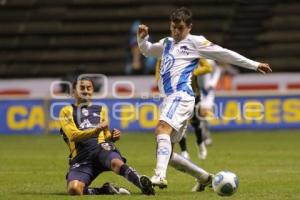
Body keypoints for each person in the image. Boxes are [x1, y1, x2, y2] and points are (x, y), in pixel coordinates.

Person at [137, 7, 272, 190]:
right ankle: (205, 178)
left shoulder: (196, 42)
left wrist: (254, 65)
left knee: (162, 129)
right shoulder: (167, 42)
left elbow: (225, 53)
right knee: (166, 152)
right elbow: (148, 51)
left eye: (181, 28)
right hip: (169, 99)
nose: (177, 32)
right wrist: (142, 38)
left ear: (189, 27)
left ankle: (159, 176)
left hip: (182, 95)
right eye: (173, 27)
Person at [59, 77, 155, 195]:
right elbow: (73, 136)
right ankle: (104, 190)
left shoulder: (101, 109)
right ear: (73, 91)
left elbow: (105, 136)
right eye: (81, 88)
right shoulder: (66, 110)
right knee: (74, 189)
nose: (85, 90)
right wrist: (96, 130)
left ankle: (141, 184)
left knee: (116, 162)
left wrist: (112, 137)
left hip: (101, 149)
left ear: (93, 90)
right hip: (81, 157)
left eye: (89, 88)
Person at [180, 59, 223, 160]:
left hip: (207, 92)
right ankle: (203, 138)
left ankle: (205, 136)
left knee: (203, 114)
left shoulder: (209, 61)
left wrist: (213, 82)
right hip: (195, 91)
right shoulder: (188, 60)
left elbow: (217, 70)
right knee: (198, 116)